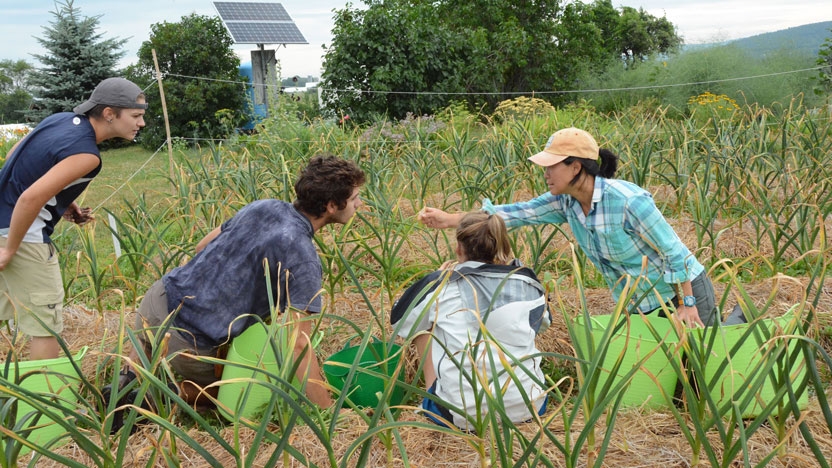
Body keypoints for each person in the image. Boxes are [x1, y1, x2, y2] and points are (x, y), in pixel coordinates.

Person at [419, 127, 718, 328]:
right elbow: (515, 214)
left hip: (681, 292)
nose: (546, 173)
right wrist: (449, 219)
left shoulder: (628, 202)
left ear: (576, 167)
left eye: (552, 166)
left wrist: (687, 304)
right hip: (638, 302)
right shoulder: (566, 202)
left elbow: (674, 252)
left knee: (700, 375)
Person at [129, 155, 366, 409]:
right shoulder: (303, 259)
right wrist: (328, 412)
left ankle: (127, 380)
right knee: (242, 396)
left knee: (135, 368)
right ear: (331, 205)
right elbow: (298, 345)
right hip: (188, 339)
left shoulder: (264, 206)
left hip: (157, 301)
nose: (359, 204)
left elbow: (201, 247)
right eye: (354, 199)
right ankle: (158, 396)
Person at [0, 77, 147, 360]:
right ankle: (45, 401)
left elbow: (14, 154)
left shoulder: (60, 120)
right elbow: (30, 199)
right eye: (136, 116)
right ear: (109, 114)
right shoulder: (87, 156)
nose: (140, 123)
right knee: (46, 327)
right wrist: (10, 249)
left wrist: (65, 200)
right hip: (22, 234)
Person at [391, 212, 550, 430]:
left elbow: (400, 323)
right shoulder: (528, 282)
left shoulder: (441, 284)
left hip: (459, 414)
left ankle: (433, 394)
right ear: (502, 245)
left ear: (458, 248)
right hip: (530, 406)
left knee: (423, 322)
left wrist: (437, 277)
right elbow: (543, 324)